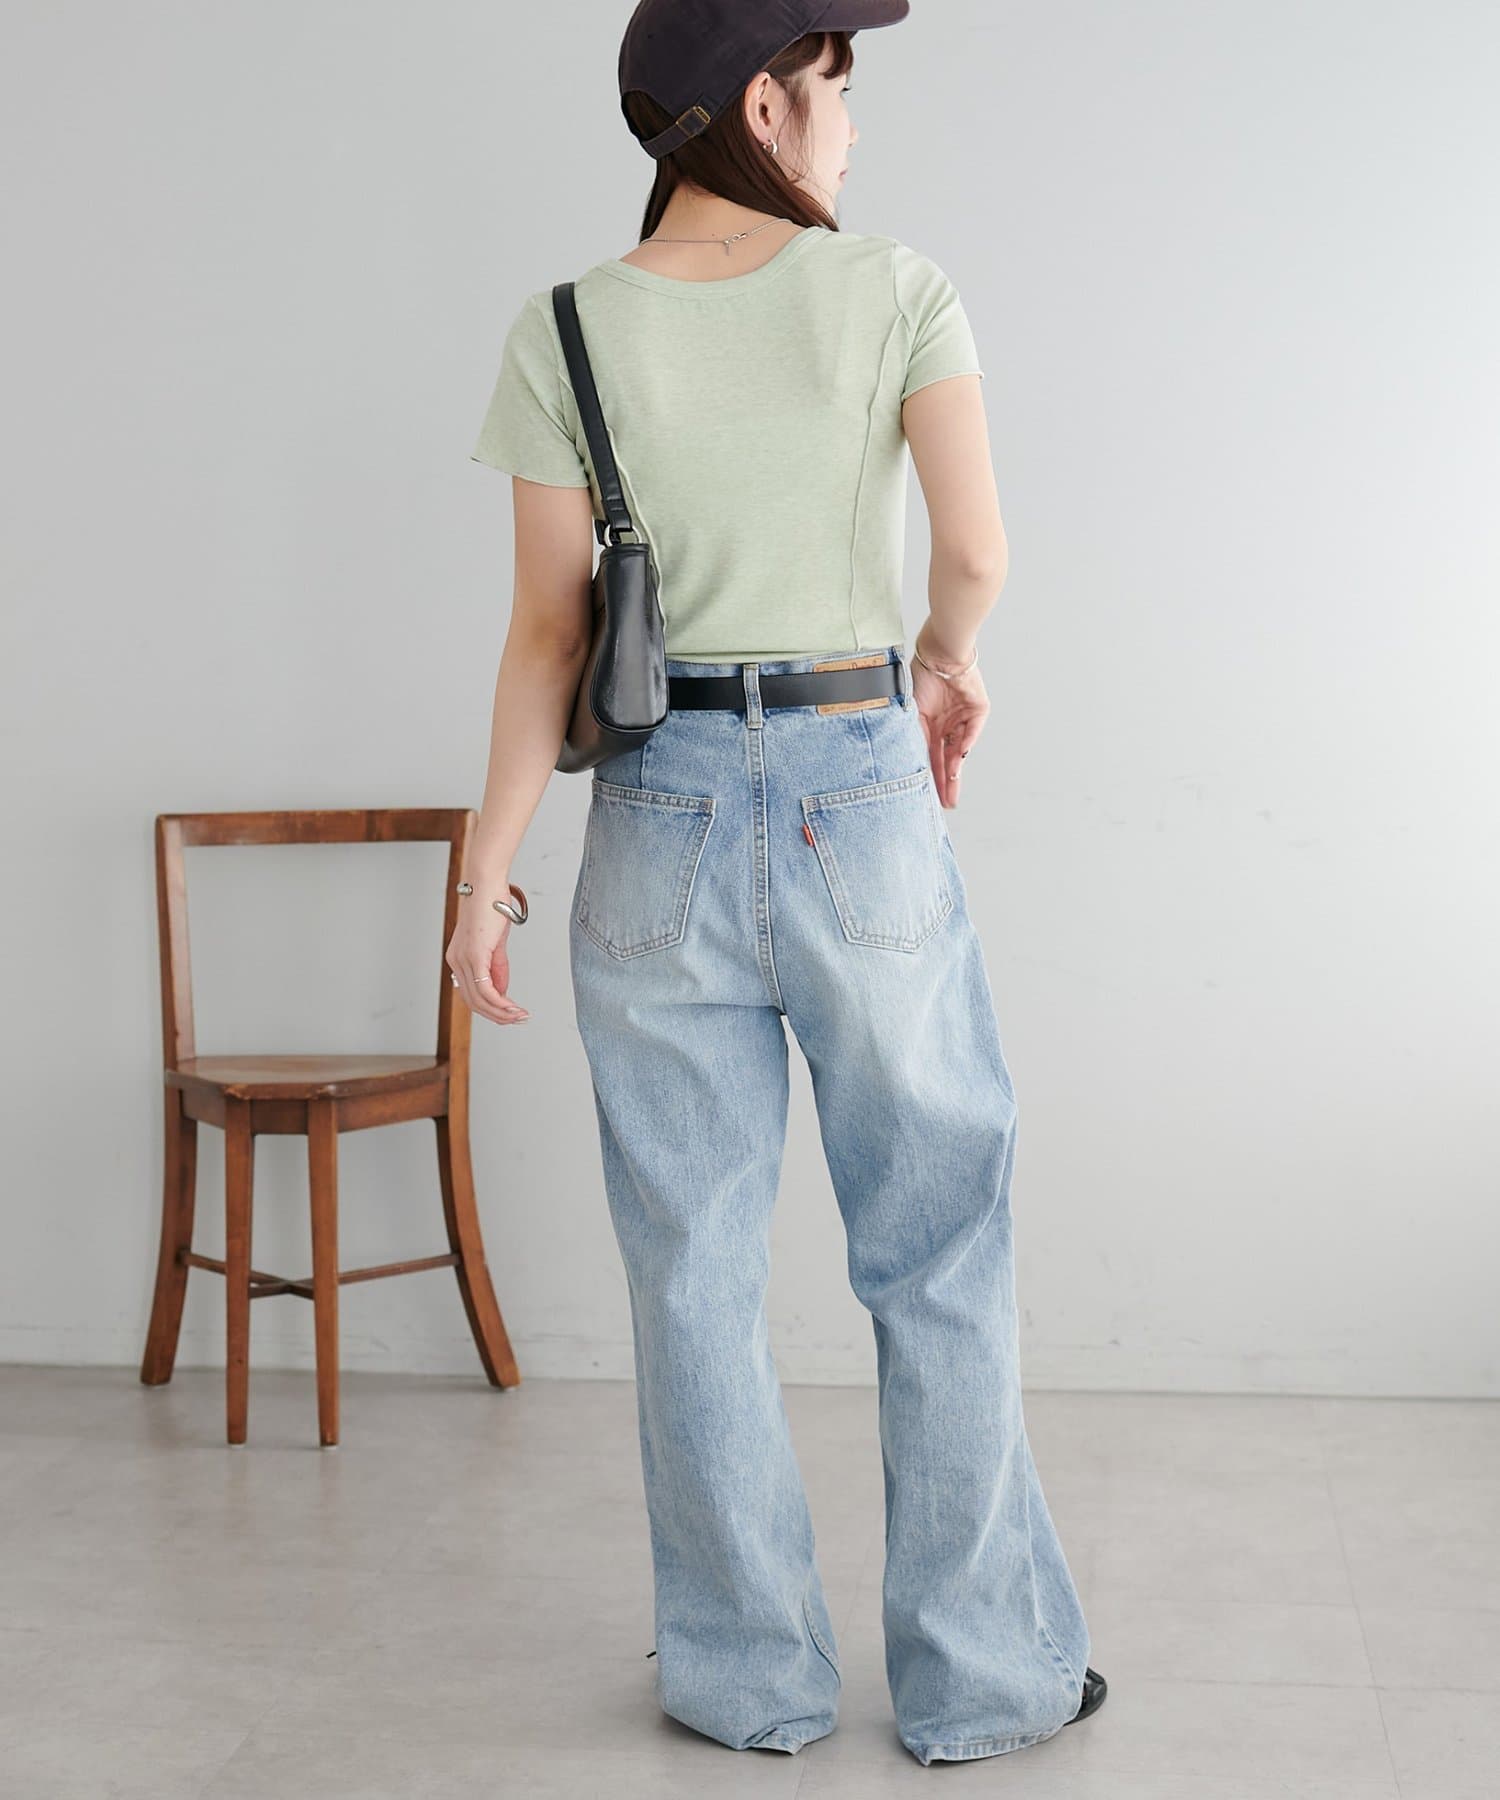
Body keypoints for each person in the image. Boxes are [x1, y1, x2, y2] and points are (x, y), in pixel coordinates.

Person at [448, 0, 1106, 1767]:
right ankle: (981, 1679)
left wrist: (487, 872)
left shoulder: (565, 327)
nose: (853, 129)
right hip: (855, 787)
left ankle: (747, 1682)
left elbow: (545, 636)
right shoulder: (894, 290)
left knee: (690, 1269)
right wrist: (945, 657)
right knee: (937, 1245)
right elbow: (975, 552)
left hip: (653, 816)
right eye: (837, 89)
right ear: (762, 102)